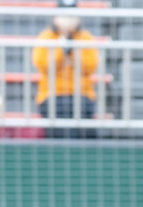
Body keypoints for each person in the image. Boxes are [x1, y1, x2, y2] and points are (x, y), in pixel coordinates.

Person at [31, 0, 99, 138]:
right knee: (58, 119)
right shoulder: (47, 37)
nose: (68, 20)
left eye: (72, 15)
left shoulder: (85, 37)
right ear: (55, 18)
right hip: (52, 95)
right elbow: (43, 65)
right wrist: (61, 48)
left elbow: (90, 66)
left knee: (83, 120)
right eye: (64, 15)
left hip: (81, 95)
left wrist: (74, 51)